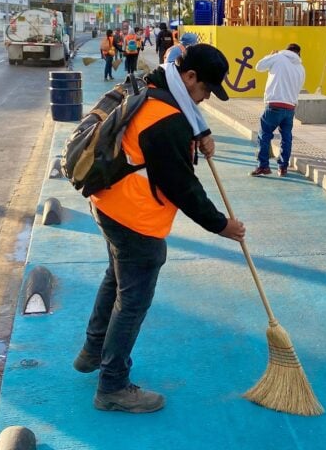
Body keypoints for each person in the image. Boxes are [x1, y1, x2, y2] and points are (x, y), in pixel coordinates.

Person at [73, 44, 246, 414]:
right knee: (132, 301)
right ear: (190, 77)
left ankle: (93, 349)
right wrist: (222, 225)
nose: (205, 100)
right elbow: (182, 186)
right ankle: (113, 386)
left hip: (108, 203)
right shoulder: (166, 120)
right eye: (205, 91)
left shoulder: (152, 88)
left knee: (115, 280)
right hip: (135, 217)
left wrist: (200, 133)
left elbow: (181, 115)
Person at [250, 43, 306, 177]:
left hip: (274, 104)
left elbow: (259, 66)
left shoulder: (278, 57)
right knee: (286, 138)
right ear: (298, 54)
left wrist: (270, 55)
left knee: (264, 135)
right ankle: (283, 167)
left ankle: (263, 166)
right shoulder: (301, 68)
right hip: (290, 107)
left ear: (287, 50)